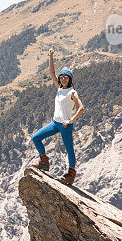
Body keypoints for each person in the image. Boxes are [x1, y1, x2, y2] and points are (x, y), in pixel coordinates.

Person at [31, 45, 84, 184]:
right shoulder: (60, 88)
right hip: (55, 123)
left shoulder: (72, 92)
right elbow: (51, 72)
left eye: (66, 77)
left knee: (69, 149)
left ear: (70, 79)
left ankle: (71, 174)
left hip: (65, 125)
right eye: (61, 77)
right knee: (36, 137)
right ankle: (44, 161)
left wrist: (71, 120)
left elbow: (81, 108)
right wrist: (51, 56)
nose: (63, 79)